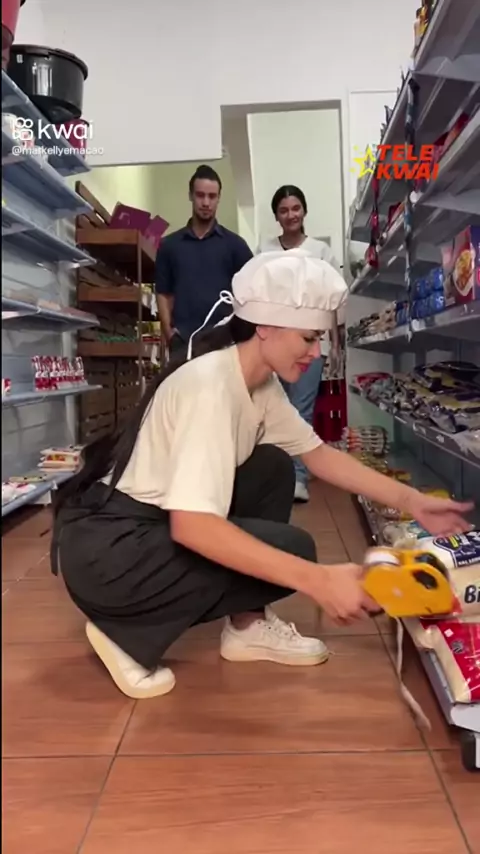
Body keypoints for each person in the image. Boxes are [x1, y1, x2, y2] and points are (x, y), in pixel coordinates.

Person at [51, 251, 472, 702]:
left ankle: (247, 627)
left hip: (139, 531)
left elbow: (318, 456)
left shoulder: (259, 383)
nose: (316, 353)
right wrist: (318, 580)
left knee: (271, 467)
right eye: (309, 338)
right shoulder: (209, 388)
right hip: (112, 556)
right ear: (265, 327)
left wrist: (412, 502)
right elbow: (193, 528)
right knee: (294, 551)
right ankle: (122, 629)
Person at [260, 185, 344, 503]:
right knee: (273, 409)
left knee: (301, 409)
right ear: (276, 216)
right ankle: (276, 478)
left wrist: (336, 344)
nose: (291, 215)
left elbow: (335, 299)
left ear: (304, 211)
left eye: (295, 208)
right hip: (275, 343)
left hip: (311, 344)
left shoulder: (320, 251)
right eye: (284, 210)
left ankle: (298, 478)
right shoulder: (265, 250)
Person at [155, 164, 253, 354]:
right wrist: (170, 334)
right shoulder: (169, 246)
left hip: (224, 345)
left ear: (219, 198)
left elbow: (252, 292)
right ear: (191, 195)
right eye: (200, 195)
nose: (206, 202)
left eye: (212, 196)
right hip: (182, 344)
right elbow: (163, 293)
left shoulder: (236, 246)